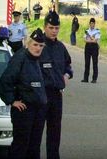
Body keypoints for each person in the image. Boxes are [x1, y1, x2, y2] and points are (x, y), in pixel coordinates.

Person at [0, 29, 47, 159]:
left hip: (38, 110)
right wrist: (12, 101)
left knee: (34, 147)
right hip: (24, 110)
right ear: (28, 44)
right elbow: (5, 81)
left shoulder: (39, 59)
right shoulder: (20, 58)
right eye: (35, 44)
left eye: (41, 45)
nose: (38, 48)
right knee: (20, 147)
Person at [40, 10, 73, 159]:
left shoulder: (61, 47)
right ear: (45, 27)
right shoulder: (38, 46)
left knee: (54, 133)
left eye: (56, 28)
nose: (54, 31)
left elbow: (68, 66)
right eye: (51, 28)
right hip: (39, 95)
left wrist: (67, 75)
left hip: (56, 96)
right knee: (35, 134)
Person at [82, 18, 100, 83]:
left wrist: (89, 39)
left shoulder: (97, 31)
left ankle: (94, 79)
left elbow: (96, 41)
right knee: (87, 63)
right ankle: (85, 78)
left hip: (94, 48)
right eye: (91, 23)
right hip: (87, 47)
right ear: (89, 24)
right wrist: (91, 40)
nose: (92, 25)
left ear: (94, 24)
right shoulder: (87, 31)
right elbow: (84, 40)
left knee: (95, 63)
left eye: (93, 23)